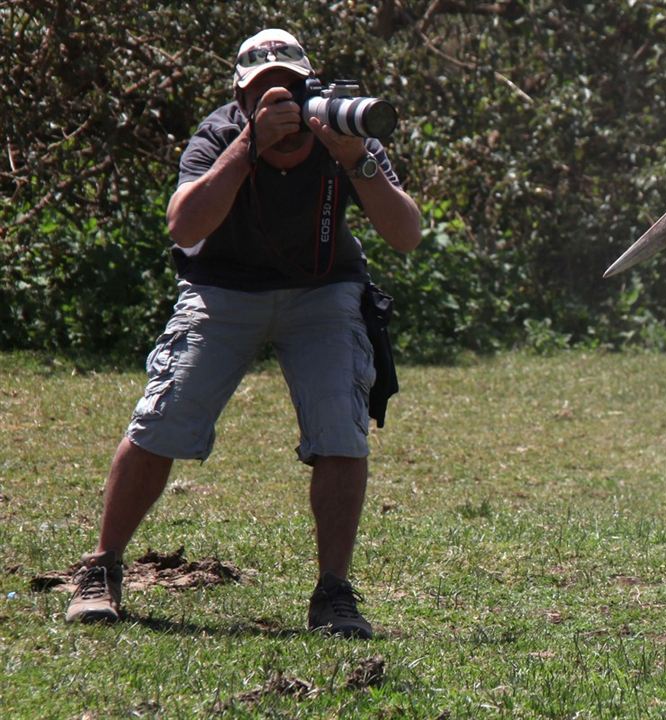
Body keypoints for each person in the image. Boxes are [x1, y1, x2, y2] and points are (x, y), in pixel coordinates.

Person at [64, 28, 421, 638]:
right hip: (222, 290)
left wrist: (355, 159)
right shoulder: (220, 134)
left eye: (292, 86)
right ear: (241, 94)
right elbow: (183, 226)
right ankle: (102, 568)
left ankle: (333, 592)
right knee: (164, 417)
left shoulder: (343, 130)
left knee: (341, 426)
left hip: (323, 292)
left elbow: (407, 234)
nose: (282, 100)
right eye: (264, 90)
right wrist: (247, 146)